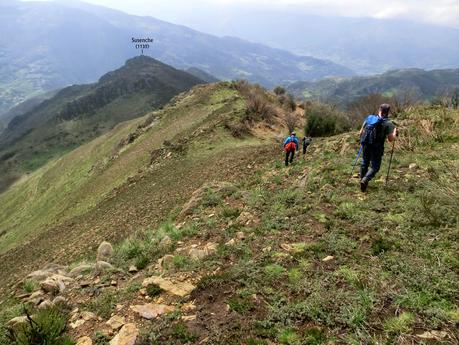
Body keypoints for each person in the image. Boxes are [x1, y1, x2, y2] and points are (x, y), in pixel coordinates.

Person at [359, 103, 397, 192]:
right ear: (388, 112)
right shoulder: (388, 123)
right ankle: (365, 180)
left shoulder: (369, 118)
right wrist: (395, 132)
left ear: (379, 110)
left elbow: (361, 132)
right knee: (375, 166)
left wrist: (363, 140)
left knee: (365, 163)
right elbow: (391, 139)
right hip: (377, 147)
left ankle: (362, 181)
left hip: (366, 144)